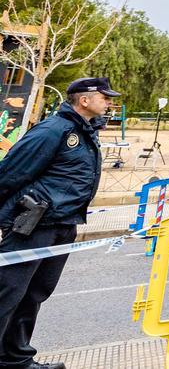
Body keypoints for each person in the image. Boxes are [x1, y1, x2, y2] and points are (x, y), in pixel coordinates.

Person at [0, 77, 117, 369]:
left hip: (63, 223)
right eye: (104, 96)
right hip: (33, 225)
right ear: (84, 99)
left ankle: (15, 359)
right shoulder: (54, 130)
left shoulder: (85, 131)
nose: (110, 101)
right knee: (6, 294)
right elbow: (10, 174)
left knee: (34, 294)